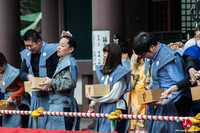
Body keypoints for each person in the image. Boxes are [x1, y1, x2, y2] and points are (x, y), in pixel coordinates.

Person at [133, 32, 186, 133]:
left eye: (144, 54)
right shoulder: (153, 56)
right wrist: (148, 90)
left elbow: (180, 83)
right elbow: (155, 77)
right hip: (157, 102)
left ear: (152, 47)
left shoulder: (168, 57)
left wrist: (164, 102)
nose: (144, 57)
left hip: (171, 104)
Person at [40, 31, 80, 130]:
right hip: (56, 104)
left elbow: (69, 83)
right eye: (58, 45)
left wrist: (52, 82)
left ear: (71, 49)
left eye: (62, 46)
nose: (58, 47)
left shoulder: (70, 62)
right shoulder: (63, 60)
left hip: (62, 105)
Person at [19, 29, 59, 128]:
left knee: (51, 124)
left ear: (39, 42)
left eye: (31, 45)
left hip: (52, 95)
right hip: (36, 96)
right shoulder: (27, 55)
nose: (28, 48)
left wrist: (51, 81)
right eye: (26, 46)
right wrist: (28, 76)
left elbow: (59, 70)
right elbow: (22, 72)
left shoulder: (52, 51)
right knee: (36, 124)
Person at [87, 44, 131, 133]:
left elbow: (113, 97)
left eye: (107, 53)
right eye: (104, 53)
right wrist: (93, 104)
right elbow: (101, 89)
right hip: (104, 107)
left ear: (114, 55)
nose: (105, 56)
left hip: (116, 109)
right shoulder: (105, 71)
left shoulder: (120, 73)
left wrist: (94, 99)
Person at [0, 52, 30, 128]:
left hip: (18, 103)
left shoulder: (14, 73)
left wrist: (12, 97)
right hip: (5, 102)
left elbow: (25, 87)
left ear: (3, 63)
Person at [127, 53, 147, 133]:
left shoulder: (145, 66)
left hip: (140, 97)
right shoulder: (135, 68)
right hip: (133, 97)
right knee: (133, 120)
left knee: (141, 121)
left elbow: (144, 83)